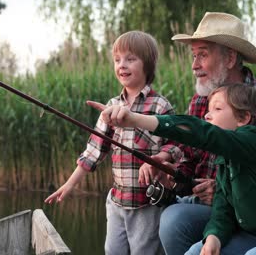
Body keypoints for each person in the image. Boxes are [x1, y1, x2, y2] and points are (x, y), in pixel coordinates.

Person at [88, 83, 256, 255]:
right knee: (196, 251)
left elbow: (204, 134)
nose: (206, 114)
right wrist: (214, 237)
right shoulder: (226, 161)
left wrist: (135, 119)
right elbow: (223, 212)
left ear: (243, 118)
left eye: (216, 109)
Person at [141, 12, 256, 254]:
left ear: (230, 58)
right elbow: (189, 157)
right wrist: (170, 170)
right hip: (217, 213)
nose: (194, 65)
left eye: (203, 55)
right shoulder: (201, 101)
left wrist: (227, 193)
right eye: (194, 55)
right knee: (173, 219)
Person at [44, 30, 182, 255]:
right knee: (112, 251)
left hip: (146, 203)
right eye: (117, 60)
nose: (122, 65)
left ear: (147, 64)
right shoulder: (110, 106)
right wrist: (69, 185)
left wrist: (160, 158)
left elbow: (176, 146)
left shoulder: (160, 106)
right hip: (117, 200)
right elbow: (93, 151)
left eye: (130, 59)